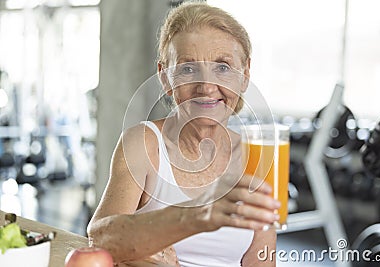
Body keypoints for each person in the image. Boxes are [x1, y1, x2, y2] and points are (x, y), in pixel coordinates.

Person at [87, 2, 280, 266]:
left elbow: (262, 262)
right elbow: (99, 238)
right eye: (188, 69)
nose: (206, 86)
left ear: (244, 75)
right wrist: (198, 215)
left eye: (222, 67)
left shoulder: (259, 156)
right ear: (165, 78)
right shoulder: (144, 144)